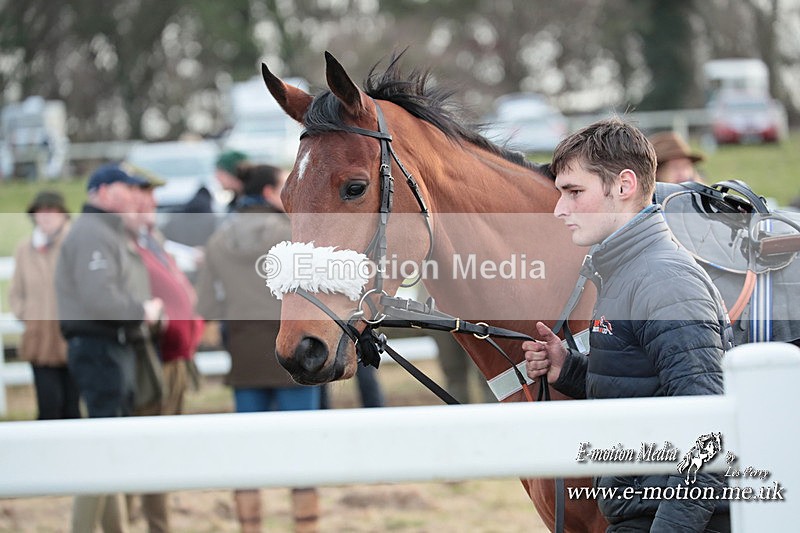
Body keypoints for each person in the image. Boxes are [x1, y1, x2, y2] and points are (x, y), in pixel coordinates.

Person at [523, 119, 732, 532]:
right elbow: (644, 388)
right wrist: (568, 369)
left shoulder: (664, 281)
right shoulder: (626, 270)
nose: (559, 209)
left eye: (574, 192)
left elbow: (710, 432)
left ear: (624, 186)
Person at [196, 164, 321, 533]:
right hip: (295, 355)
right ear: (268, 192)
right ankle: (305, 527)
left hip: (244, 355)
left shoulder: (217, 241)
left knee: (246, 452)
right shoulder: (293, 236)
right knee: (301, 451)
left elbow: (204, 307)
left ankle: (250, 526)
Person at [55, 163, 164, 533]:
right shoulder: (92, 233)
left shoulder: (103, 230)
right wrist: (142, 312)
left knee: (108, 448)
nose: (134, 195)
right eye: (125, 188)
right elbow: (99, 297)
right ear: (102, 192)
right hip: (99, 349)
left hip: (108, 348)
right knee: (100, 451)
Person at [125, 169, 205, 533]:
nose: (151, 204)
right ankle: (141, 519)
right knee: (143, 447)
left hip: (175, 357)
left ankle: (157, 519)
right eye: (143, 196)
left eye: (152, 196)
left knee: (162, 445)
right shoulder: (125, 243)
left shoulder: (153, 238)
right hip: (151, 358)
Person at [9, 190, 80, 420]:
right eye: (41, 212)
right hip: (39, 338)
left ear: (62, 214)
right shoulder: (24, 249)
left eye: (52, 211)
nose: (46, 217)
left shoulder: (74, 244)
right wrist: (28, 314)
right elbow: (16, 292)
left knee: (71, 407)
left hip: (70, 338)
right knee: (48, 405)